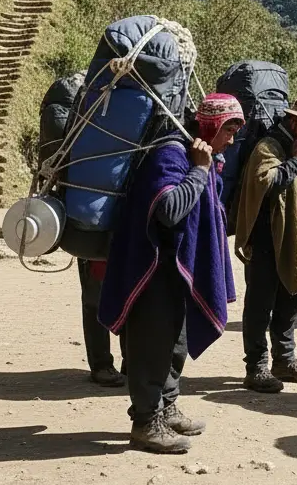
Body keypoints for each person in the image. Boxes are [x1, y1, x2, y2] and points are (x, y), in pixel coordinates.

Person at [101, 94, 244, 454]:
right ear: (210, 125)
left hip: (176, 271)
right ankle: (146, 422)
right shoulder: (171, 154)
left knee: (175, 343)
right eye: (228, 129)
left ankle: (167, 406)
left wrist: (207, 166)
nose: (230, 139)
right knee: (151, 346)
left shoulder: (201, 154)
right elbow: (169, 210)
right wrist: (198, 170)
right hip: (151, 270)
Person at [233, 97, 297, 393]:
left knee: (291, 299)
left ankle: (285, 360)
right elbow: (267, 183)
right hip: (265, 240)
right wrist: (295, 160)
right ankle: (256, 367)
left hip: (293, 238)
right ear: (294, 121)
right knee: (259, 306)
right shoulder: (269, 146)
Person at [78, 258, 125, 387]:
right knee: (96, 297)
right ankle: (101, 364)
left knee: (134, 292)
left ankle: (132, 362)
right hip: (96, 243)